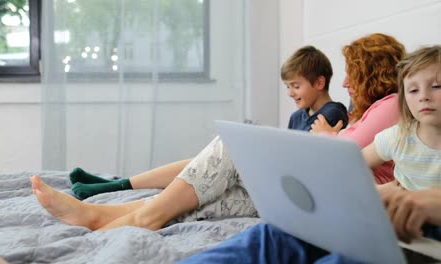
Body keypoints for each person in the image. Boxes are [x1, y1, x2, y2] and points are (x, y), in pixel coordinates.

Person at [28, 33, 404, 233]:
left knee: (229, 147)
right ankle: (102, 218)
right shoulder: (368, 110)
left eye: (354, 72)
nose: (349, 82)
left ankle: (131, 214)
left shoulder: (390, 104)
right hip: (318, 192)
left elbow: (344, 155)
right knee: (207, 198)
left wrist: (325, 138)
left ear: (373, 71)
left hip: (331, 196)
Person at [179, 45, 441, 264]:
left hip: (423, 240)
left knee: (349, 257)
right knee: (275, 234)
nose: (424, 97)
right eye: (414, 90)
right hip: (385, 223)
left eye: (436, 86)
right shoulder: (397, 136)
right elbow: (351, 168)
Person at [69, 45, 349, 200]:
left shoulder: (333, 114)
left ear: (320, 82)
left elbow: (306, 162)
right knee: (205, 161)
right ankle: (118, 184)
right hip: (272, 174)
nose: (290, 93)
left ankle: (116, 186)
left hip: (282, 187)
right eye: (288, 86)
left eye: (295, 86)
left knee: (211, 163)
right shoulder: (297, 116)